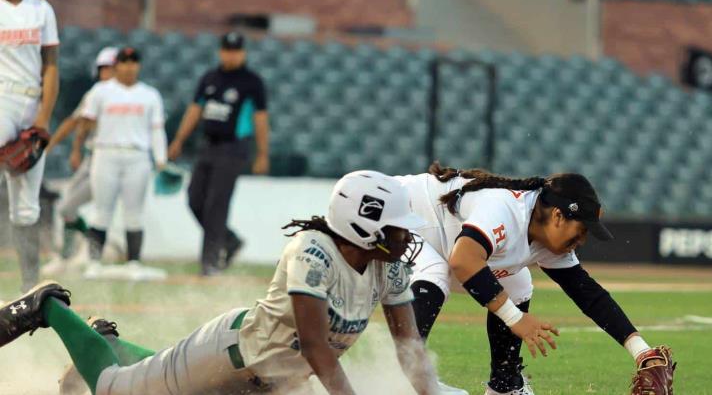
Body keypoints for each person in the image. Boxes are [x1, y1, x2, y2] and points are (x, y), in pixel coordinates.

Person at [0, 170, 440, 395]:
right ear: (363, 224)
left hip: (276, 384)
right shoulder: (314, 251)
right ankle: (48, 307)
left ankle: (106, 342)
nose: (407, 236)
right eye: (399, 227)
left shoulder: (389, 268)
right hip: (230, 357)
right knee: (118, 390)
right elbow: (314, 345)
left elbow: (410, 348)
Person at [396, 162, 671, 395]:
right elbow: (463, 261)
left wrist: (641, 351)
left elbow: (588, 294)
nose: (583, 240)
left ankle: (505, 385)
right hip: (393, 218)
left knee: (517, 281)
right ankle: (410, 380)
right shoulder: (505, 209)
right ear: (558, 216)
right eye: (582, 229)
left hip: (436, 240)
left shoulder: (547, 239)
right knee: (434, 271)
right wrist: (516, 319)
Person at [168, 31, 269, 276]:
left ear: (243, 52)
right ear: (220, 51)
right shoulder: (210, 78)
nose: (231, 55)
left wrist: (262, 153)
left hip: (233, 148)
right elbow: (195, 110)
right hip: (208, 145)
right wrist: (179, 139)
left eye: (236, 50)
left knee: (216, 204)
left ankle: (210, 263)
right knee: (195, 199)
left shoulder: (252, 82)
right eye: (227, 50)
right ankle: (229, 240)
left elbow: (260, 119)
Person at [77, 47, 167, 281]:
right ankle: (94, 262)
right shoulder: (100, 91)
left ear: (139, 65)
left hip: (137, 155)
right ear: (116, 65)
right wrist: (78, 148)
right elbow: (86, 123)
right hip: (105, 152)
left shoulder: (149, 95)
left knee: (134, 212)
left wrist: (161, 159)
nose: (129, 67)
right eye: (124, 62)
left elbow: (157, 130)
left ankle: (133, 262)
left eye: (133, 62)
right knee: (101, 211)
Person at [0, 0, 60, 291]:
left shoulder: (41, 9)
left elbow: (51, 66)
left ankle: (30, 290)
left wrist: (43, 119)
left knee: (26, 209)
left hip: (31, 101)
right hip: (1, 98)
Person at [42, 46, 118, 275]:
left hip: (110, 160)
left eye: (112, 68)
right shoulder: (95, 93)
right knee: (66, 206)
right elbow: (75, 122)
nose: (108, 73)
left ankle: (90, 249)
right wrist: (52, 144)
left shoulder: (127, 95)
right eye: (104, 69)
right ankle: (74, 252)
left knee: (71, 206)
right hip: (91, 157)